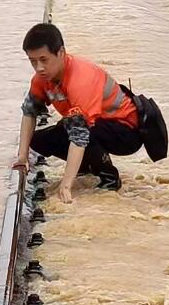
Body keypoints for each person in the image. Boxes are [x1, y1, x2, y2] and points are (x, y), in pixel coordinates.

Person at [12, 23, 142, 203]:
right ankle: (86, 166)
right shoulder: (42, 79)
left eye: (44, 59)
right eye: (33, 61)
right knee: (40, 139)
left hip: (127, 131)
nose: (39, 67)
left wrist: (65, 186)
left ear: (61, 53)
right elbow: (29, 112)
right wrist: (22, 156)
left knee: (80, 129)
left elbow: (79, 135)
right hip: (94, 125)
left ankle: (109, 177)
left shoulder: (80, 79)